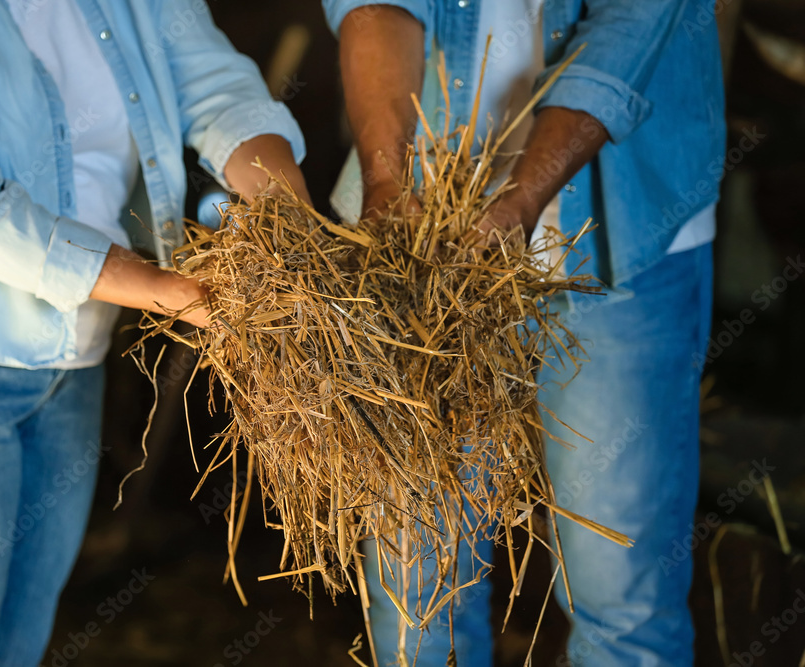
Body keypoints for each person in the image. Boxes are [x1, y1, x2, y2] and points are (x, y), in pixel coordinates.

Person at [0, 0, 307, 664]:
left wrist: (288, 221)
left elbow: (211, 81)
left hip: (69, 356)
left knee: (18, 646)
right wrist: (175, 293)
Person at [323, 1, 725, 664]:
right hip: (431, 233)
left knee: (620, 587)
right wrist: (388, 178)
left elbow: (633, 26)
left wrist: (523, 197)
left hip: (627, 227)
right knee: (416, 586)